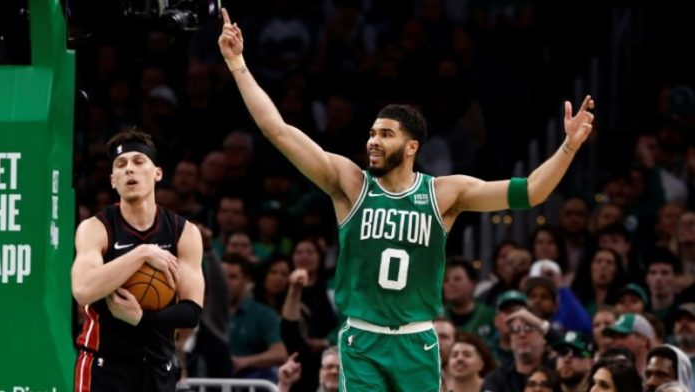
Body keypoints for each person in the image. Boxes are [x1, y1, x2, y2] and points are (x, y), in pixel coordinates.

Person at [218, 8, 595, 390]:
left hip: (417, 339)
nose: (373, 142)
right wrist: (238, 65)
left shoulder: (444, 192)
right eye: (371, 133)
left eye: (385, 134)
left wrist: (567, 146)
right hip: (362, 339)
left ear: (411, 146)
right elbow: (277, 130)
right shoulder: (350, 183)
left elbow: (531, 192)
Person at [71, 129, 205, 391]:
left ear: (157, 173)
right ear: (113, 180)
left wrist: (142, 319)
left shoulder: (184, 232)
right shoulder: (96, 228)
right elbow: (84, 290)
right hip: (103, 365)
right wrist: (142, 253)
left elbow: (191, 312)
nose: (129, 170)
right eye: (121, 165)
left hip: (157, 365)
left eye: (138, 161)